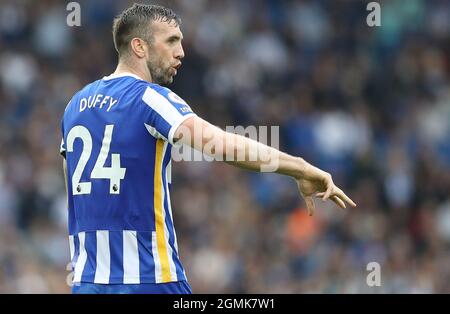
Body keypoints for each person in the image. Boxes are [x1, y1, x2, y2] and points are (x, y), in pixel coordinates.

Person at [60, 3, 356, 294]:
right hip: (149, 279)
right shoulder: (150, 98)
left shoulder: (75, 106)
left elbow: (72, 191)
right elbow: (220, 144)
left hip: (87, 282)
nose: (181, 52)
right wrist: (299, 167)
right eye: (172, 41)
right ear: (140, 46)